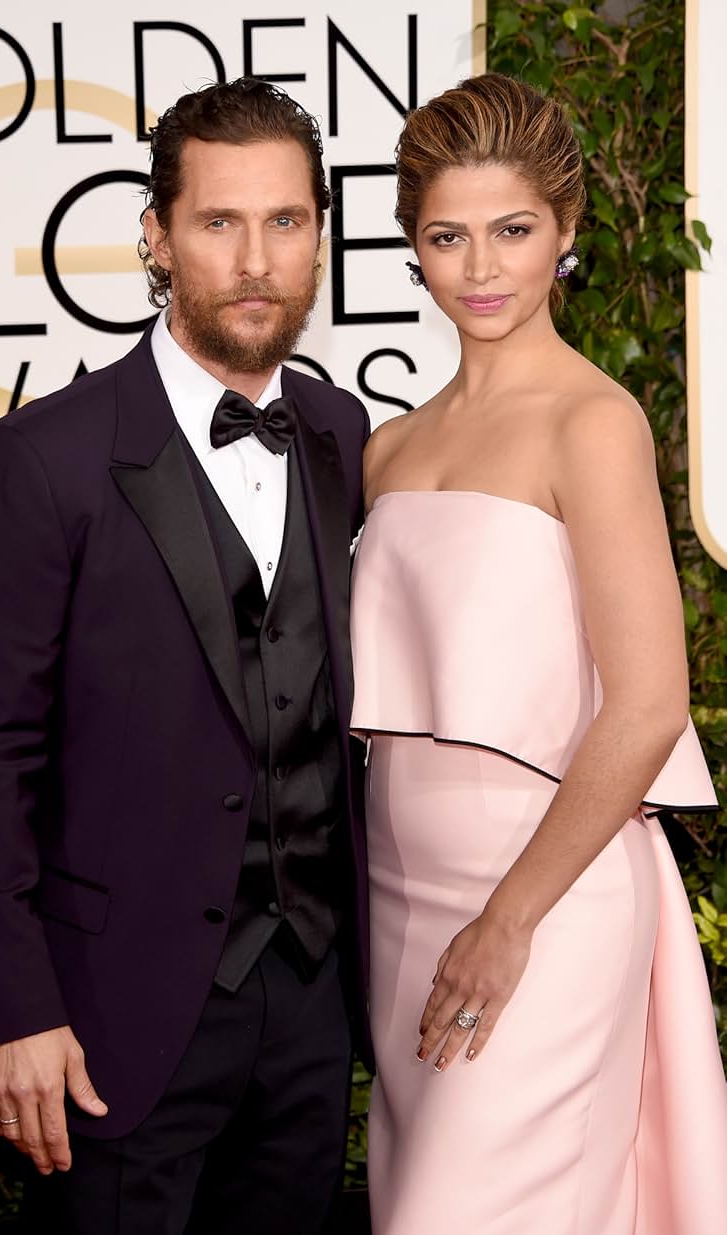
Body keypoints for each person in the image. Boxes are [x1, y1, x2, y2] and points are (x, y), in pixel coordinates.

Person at [0, 77, 371, 1235]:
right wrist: (11, 1006)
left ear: (320, 234)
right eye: (218, 222)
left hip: (312, 1007)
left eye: (285, 220)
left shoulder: (343, 436)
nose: (255, 258)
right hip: (107, 1015)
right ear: (157, 236)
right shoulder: (41, 460)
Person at [350, 73, 727, 1234]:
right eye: (447, 236)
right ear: (413, 249)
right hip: (402, 905)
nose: (481, 268)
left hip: (545, 901)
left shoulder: (591, 420)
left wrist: (509, 917)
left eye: (512, 231)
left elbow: (649, 701)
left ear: (564, 231)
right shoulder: (389, 448)